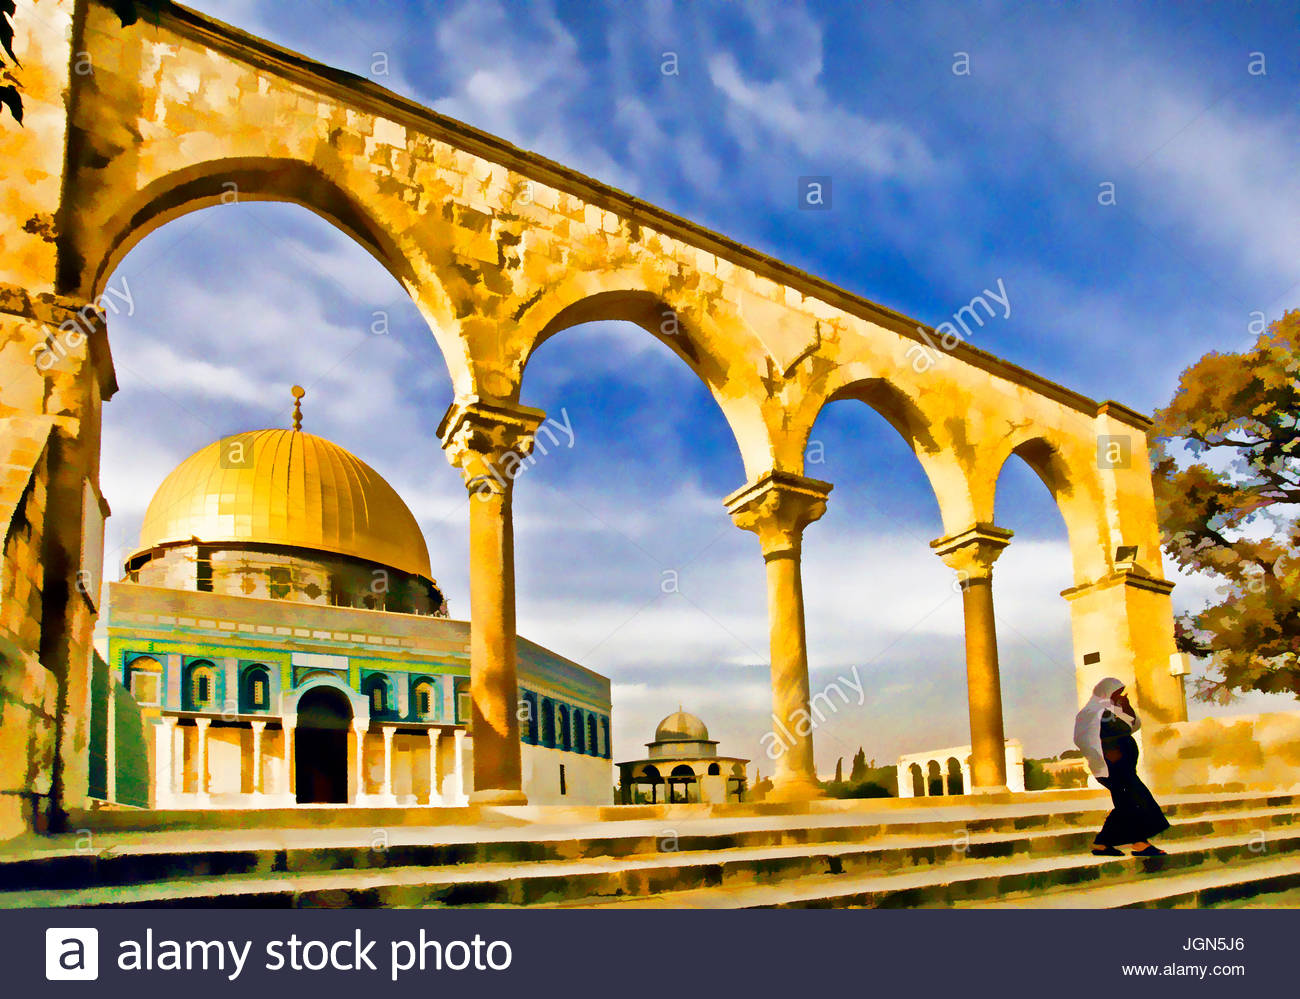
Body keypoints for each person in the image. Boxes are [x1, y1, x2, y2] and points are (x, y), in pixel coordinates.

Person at [1073, 677, 1170, 856]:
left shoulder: (1112, 710)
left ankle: (1103, 844)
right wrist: (1100, 755)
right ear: (1105, 692)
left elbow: (1134, 725)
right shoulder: (1089, 712)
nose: (1118, 696)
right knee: (1138, 799)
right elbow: (1081, 739)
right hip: (1109, 766)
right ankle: (1140, 843)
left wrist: (1126, 707)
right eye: (1116, 693)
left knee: (1126, 802)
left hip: (1124, 767)